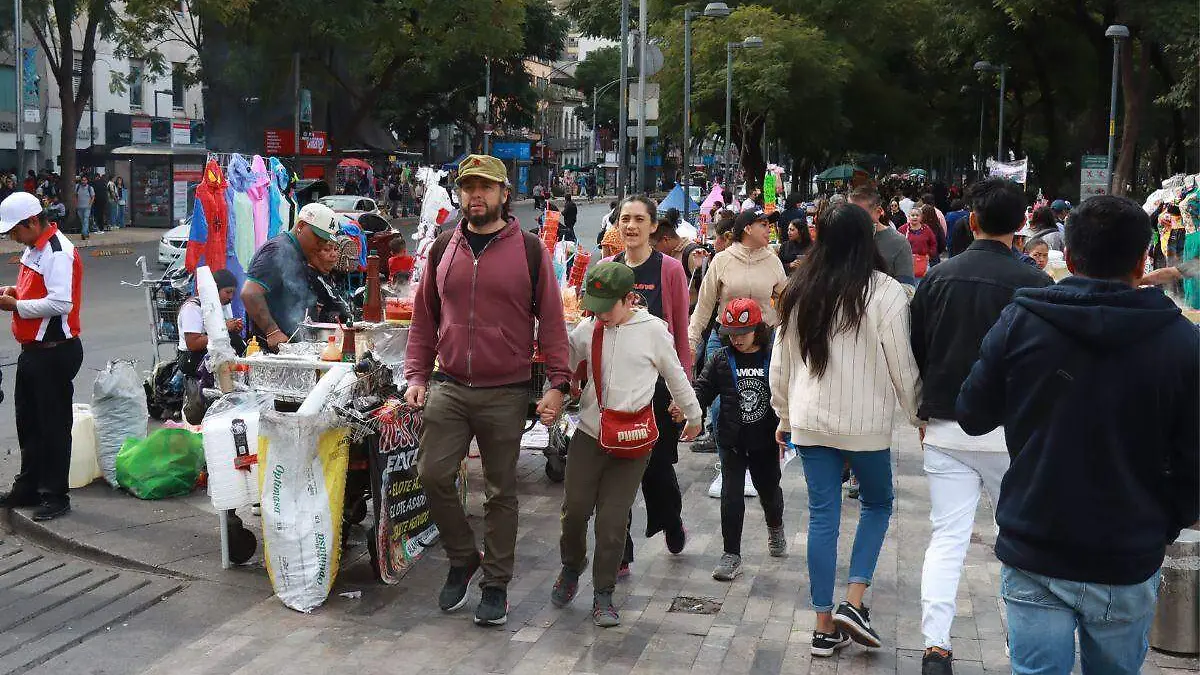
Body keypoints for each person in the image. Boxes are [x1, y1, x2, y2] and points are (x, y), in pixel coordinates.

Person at [956, 195, 1198, 675]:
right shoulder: (1182, 343)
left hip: (1036, 539)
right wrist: (1164, 523)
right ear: (1141, 260)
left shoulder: (1022, 322)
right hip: (1126, 551)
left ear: (1073, 257)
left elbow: (971, 413)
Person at [404, 154, 570, 627]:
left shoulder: (530, 250)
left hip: (506, 391)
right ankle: (462, 557)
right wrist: (417, 375)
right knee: (432, 474)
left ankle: (495, 583)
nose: (475, 195)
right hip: (450, 385)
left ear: (503, 194)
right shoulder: (442, 249)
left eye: (485, 187)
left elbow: (553, 322)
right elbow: (424, 318)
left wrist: (558, 383)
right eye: (467, 187)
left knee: (500, 493)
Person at [909, 178, 1054, 675]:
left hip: (948, 425)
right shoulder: (1038, 284)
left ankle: (936, 646)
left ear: (971, 221)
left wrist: (923, 409)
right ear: (1022, 225)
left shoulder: (939, 277)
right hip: (1015, 433)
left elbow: (919, 348)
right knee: (1018, 540)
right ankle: (1022, 646)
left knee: (946, 538)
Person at [770, 203, 921, 658]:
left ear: (818, 236)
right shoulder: (886, 292)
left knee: (823, 516)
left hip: (811, 420)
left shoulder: (799, 287)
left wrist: (784, 417)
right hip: (866, 425)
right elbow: (903, 364)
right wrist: (919, 418)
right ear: (867, 239)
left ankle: (822, 625)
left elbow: (782, 362)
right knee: (877, 503)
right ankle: (852, 602)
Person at [551, 262, 702, 627]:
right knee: (574, 511)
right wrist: (550, 395)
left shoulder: (652, 331)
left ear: (628, 298)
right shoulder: (589, 329)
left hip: (633, 440)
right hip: (589, 434)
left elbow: (675, 375)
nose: (600, 312)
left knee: (612, 520)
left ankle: (603, 593)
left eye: (607, 305)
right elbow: (562, 366)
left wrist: (694, 415)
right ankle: (572, 567)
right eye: (595, 305)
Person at [605, 196, 695, 569]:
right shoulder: (607, 267)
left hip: (657, 389)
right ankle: (619, 549)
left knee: (657, 468)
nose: (631, 226)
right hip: (617, 386)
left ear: (653, 226)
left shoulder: (670, 270)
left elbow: (679, 334)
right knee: (616, 468)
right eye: (625, 219)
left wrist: (683, 392)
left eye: (639, 219)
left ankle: (670, 521)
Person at [684, 298, 787, 582]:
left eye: (743, 333)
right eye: (731, 334)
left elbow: (788, 391)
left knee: (769, 491)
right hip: (731, 440)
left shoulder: (773, 355)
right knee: (731, 495)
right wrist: (688, 411)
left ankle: (775, 526)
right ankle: (731, 554)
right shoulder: (720, 359)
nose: (738, 339)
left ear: (758, 329)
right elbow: (702, 389)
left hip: (765, 441)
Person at [688, 208, 787, 490]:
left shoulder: (773, 261)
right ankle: (729, 466)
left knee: (760, 406)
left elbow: (786, 301)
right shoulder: (722, 260)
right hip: (725, 341)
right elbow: (704, 306)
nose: (769, 230)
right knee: (722, 408)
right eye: (763, 224)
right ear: (746, 229)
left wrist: (785, 335)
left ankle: (758, 467)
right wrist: (692, 344)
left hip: (763, 344)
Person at [0, 192, 84, 522]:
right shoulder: (33, 248)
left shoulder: (57, 251)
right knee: (28, 422)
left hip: (55, 351)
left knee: (52, 426)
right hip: (33, 352)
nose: (11, 238)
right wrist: (13, 292)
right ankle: (29, 486)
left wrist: (15, 306)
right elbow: (37, 291)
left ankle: (55, 494)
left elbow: (61, 303)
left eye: (14, 231)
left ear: (32, 222)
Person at [241, 202, 340, 350]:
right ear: (301, 226)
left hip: (297, 345)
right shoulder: (277, 250)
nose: (321, 244)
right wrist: (272, 331)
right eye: (319, 239)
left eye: (326, 240)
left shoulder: (301, 252)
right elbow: (250, 293)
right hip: (274, 350)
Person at [176, 269, 244, 422]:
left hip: (209, 350)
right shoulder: (192, 308)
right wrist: (224, 328)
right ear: (216, 289)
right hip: (190, 357)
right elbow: (192, 343)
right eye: (228, 292)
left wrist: (233, 328)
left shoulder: (222, 304)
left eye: (233, 293)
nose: (231, 297)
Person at [851, 187, 915, 289]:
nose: (853, 221)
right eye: (849, 215)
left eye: (860, 216)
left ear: (878, 212)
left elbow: (908, 288)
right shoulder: (844, 238)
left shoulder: (899, 242)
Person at [900, 206, 938, 283]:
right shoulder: (902, 229)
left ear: (921, 217)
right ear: (909, 217)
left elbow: (933, 243)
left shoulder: (927, 229)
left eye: (917, 215)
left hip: (923, 262)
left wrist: (930, 255)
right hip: (907, 263)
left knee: (922, 285)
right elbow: (897, 245)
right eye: (912, 215)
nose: (915, 217)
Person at [74, 175, 94, 240]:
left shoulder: (90, 188)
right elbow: (75, 196)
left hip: (87, 207)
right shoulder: (77, 187)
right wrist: (76, 204)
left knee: (85, 219)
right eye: (82, 180)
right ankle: (87, 233)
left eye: (85, 180)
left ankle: (83, 233)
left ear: (87, 181)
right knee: (83, 221)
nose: (83, 181)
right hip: (79, 207)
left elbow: (93, 196)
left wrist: (90, 204)